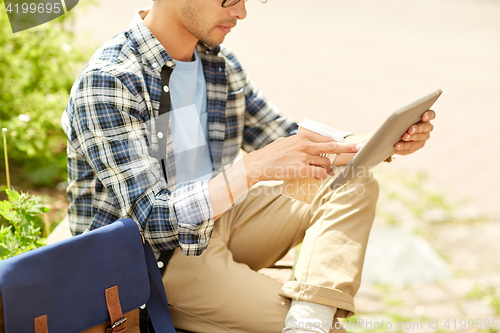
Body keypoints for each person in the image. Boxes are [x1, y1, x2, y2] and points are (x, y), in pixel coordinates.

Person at [61, 0, 436, 332]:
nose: (242, 12)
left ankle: (310, 317)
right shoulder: (111, 80)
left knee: (354, 180)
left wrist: (383, 142)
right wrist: (253, 168)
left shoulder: (218, 64)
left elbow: (290, 141)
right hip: (159, 263)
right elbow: (155, 222)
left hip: (221, 222)